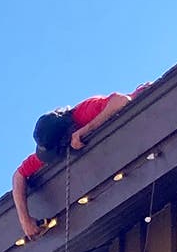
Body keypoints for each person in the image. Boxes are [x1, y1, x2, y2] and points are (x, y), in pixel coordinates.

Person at [12, 88, 145, 240]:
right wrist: (25, 220)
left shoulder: (83, 113)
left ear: (66, 133)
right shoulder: (51, 145)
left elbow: (121, 101)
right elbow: (19, 175)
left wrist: (85, 130)